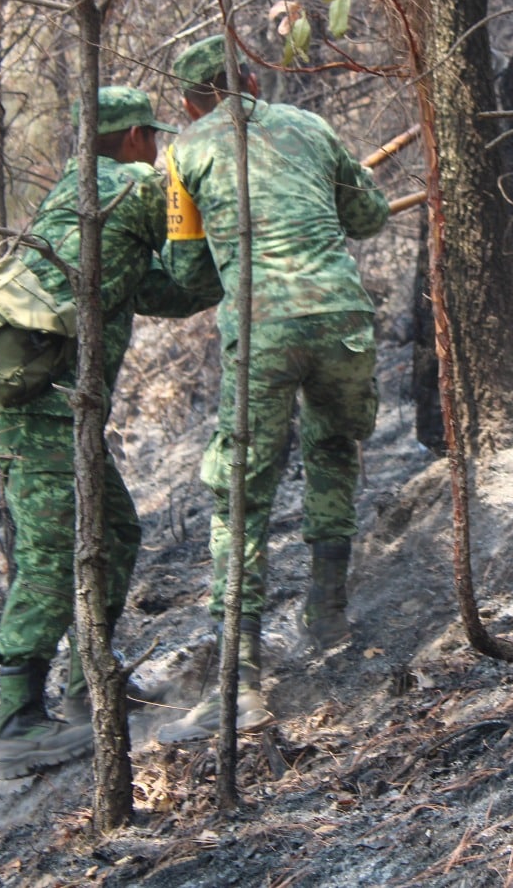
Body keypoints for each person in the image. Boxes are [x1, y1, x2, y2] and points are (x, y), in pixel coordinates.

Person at [0, 86, 221, 779]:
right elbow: (188, 266)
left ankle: (93, 686)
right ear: (134, 138)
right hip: (42, 407)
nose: (158, 149)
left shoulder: (76, 199)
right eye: (154, 138)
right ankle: (17, 721)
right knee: (57, 551)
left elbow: (160, 290)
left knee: (113, 534)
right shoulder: (129, 188)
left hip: (47, 404)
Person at [155, 36, 389, 742]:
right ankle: (329, 614)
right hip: (342, 316)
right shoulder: (311, 128)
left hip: (264, 330)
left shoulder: (184, 154)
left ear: (189, 103)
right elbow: (369, 216)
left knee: (240, 493)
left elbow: (190, 276)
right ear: (251, 79)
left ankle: (242, 683)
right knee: (334, 452)